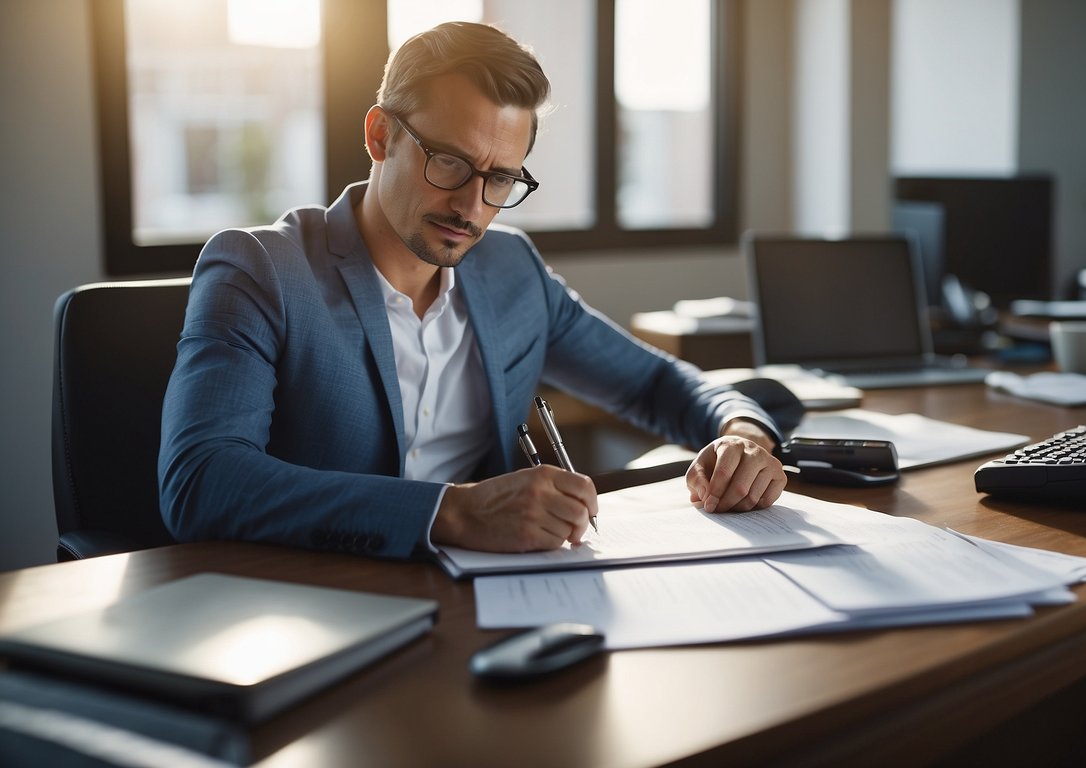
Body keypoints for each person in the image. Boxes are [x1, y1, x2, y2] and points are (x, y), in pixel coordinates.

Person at [158, 21, 787, 559]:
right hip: (315, 610)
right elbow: (202, 480)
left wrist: (742, 435)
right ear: (380, 136)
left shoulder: (511, 269)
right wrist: (450, 513)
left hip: (487, 605)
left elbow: (654, 383)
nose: (471, 205)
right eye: (450, 163)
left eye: (500, 178)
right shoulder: (260, 268)